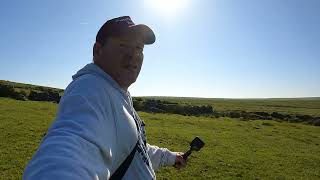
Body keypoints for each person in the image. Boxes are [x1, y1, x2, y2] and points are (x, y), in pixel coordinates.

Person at [23, 16, 187, 180]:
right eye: (123, 45)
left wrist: (170, 157)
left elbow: (132, 147)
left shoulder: (117, 93)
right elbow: (71, 147)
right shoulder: (90, 89)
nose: (134, 54)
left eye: (139, 48)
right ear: (98, 51)